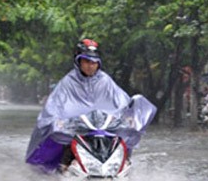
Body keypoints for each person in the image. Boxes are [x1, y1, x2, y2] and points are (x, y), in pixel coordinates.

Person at [25, 38, 156, 171]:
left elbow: (122, 103)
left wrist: (130, 118)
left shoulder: (105, 81)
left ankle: (124, 168)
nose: (91, 66)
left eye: (94, 62)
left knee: (123, 153)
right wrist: (56, 121)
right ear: (78, 61)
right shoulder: (67, 83)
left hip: (105, 131)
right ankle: (64, 172)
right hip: (77, 131)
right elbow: (54, 107)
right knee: (66, 153)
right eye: (86, 61)